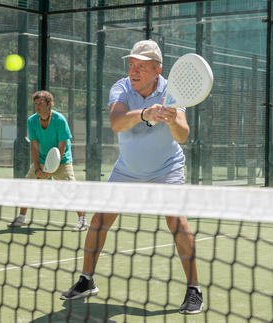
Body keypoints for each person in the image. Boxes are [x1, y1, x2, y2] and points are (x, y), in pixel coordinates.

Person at [60, 40, 203, 314]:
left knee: (178, 223)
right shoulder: (122, 87)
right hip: (127, 170)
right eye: (131, 64)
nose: (134, 71)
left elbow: (183, 135)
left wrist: (173, 120)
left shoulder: (172, 92)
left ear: (157, 70)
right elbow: (116, 121)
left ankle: (194, 289)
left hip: (167, 169)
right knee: (99, 221)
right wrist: (145, 114)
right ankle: (86, 280)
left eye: (141, 66)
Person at [8, 90, 88, 232]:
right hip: (43, 158)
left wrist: (50, 170)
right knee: (27, 186)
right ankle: (21, 217)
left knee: (70, 190)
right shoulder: (32, 121)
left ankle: (82, 220)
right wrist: (38, 168)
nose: (37, 106)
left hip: (62, 160)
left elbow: (62, 146)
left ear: (49, 104)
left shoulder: (59, 120)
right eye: (35, 104)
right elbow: (34, 146)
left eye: (41, 104)